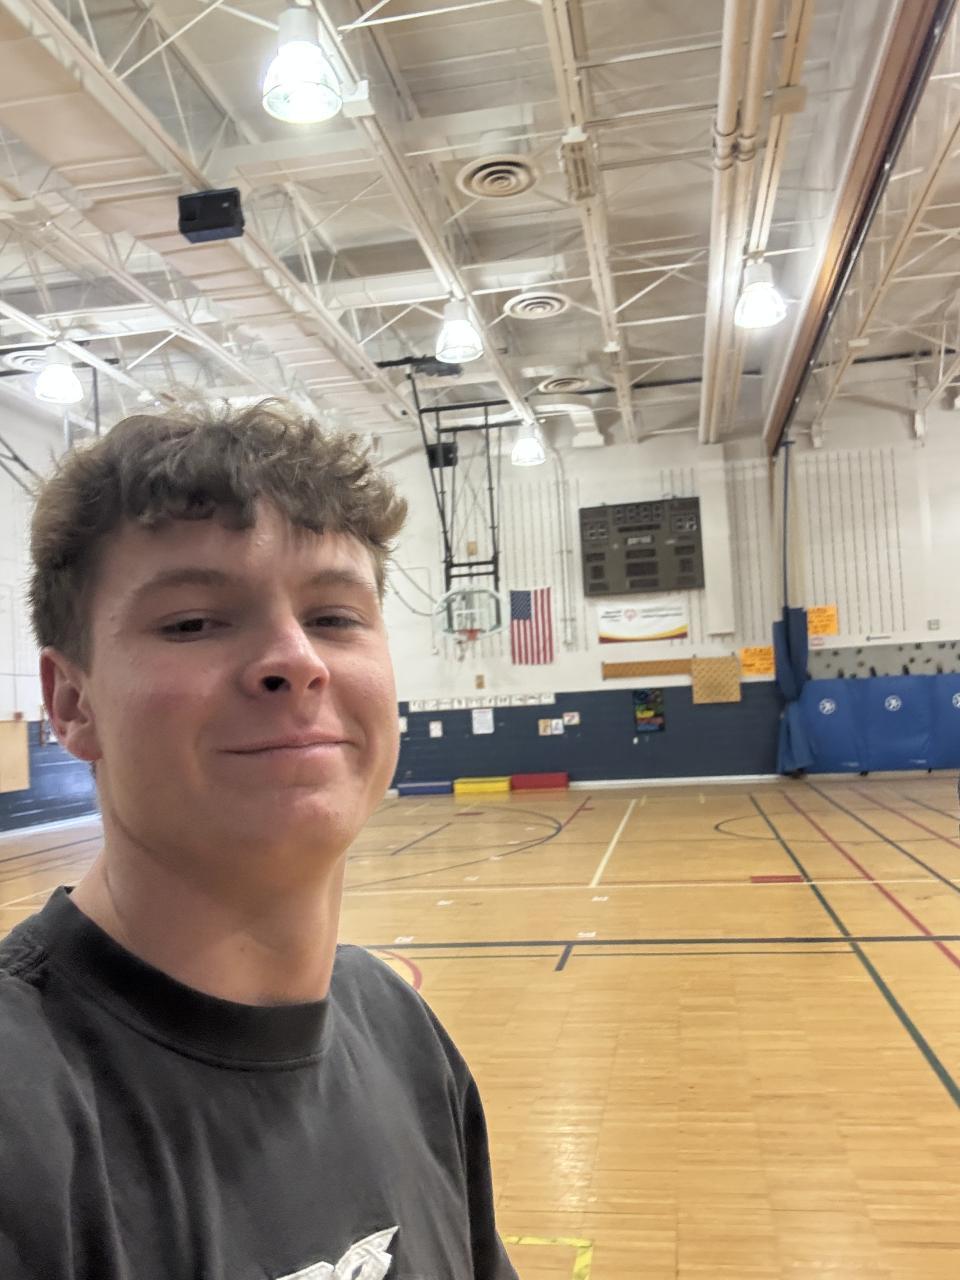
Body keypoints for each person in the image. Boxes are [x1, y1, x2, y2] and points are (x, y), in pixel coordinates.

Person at [0, 403, 519, 1280]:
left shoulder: (402, 1034)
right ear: (72, 703)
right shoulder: (21, 1113)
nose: (296, 659)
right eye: (193, 622)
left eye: (335, 617)